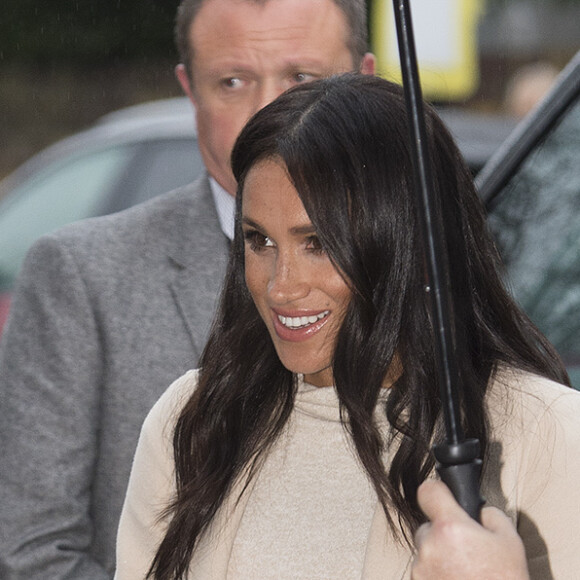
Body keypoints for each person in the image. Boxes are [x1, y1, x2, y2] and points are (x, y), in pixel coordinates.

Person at [115, 73, 580, 580]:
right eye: (259, 240)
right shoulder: (192, 418)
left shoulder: (546, 432)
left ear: (405, 241)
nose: (280, 287)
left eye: (317, 243)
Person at [0, 0, 374, 578]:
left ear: (366, 81)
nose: (268, 109)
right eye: (232, 80)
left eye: (302, 78)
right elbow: (30, 551)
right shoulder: (81, 277)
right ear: (188, 90)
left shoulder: (438, 260)